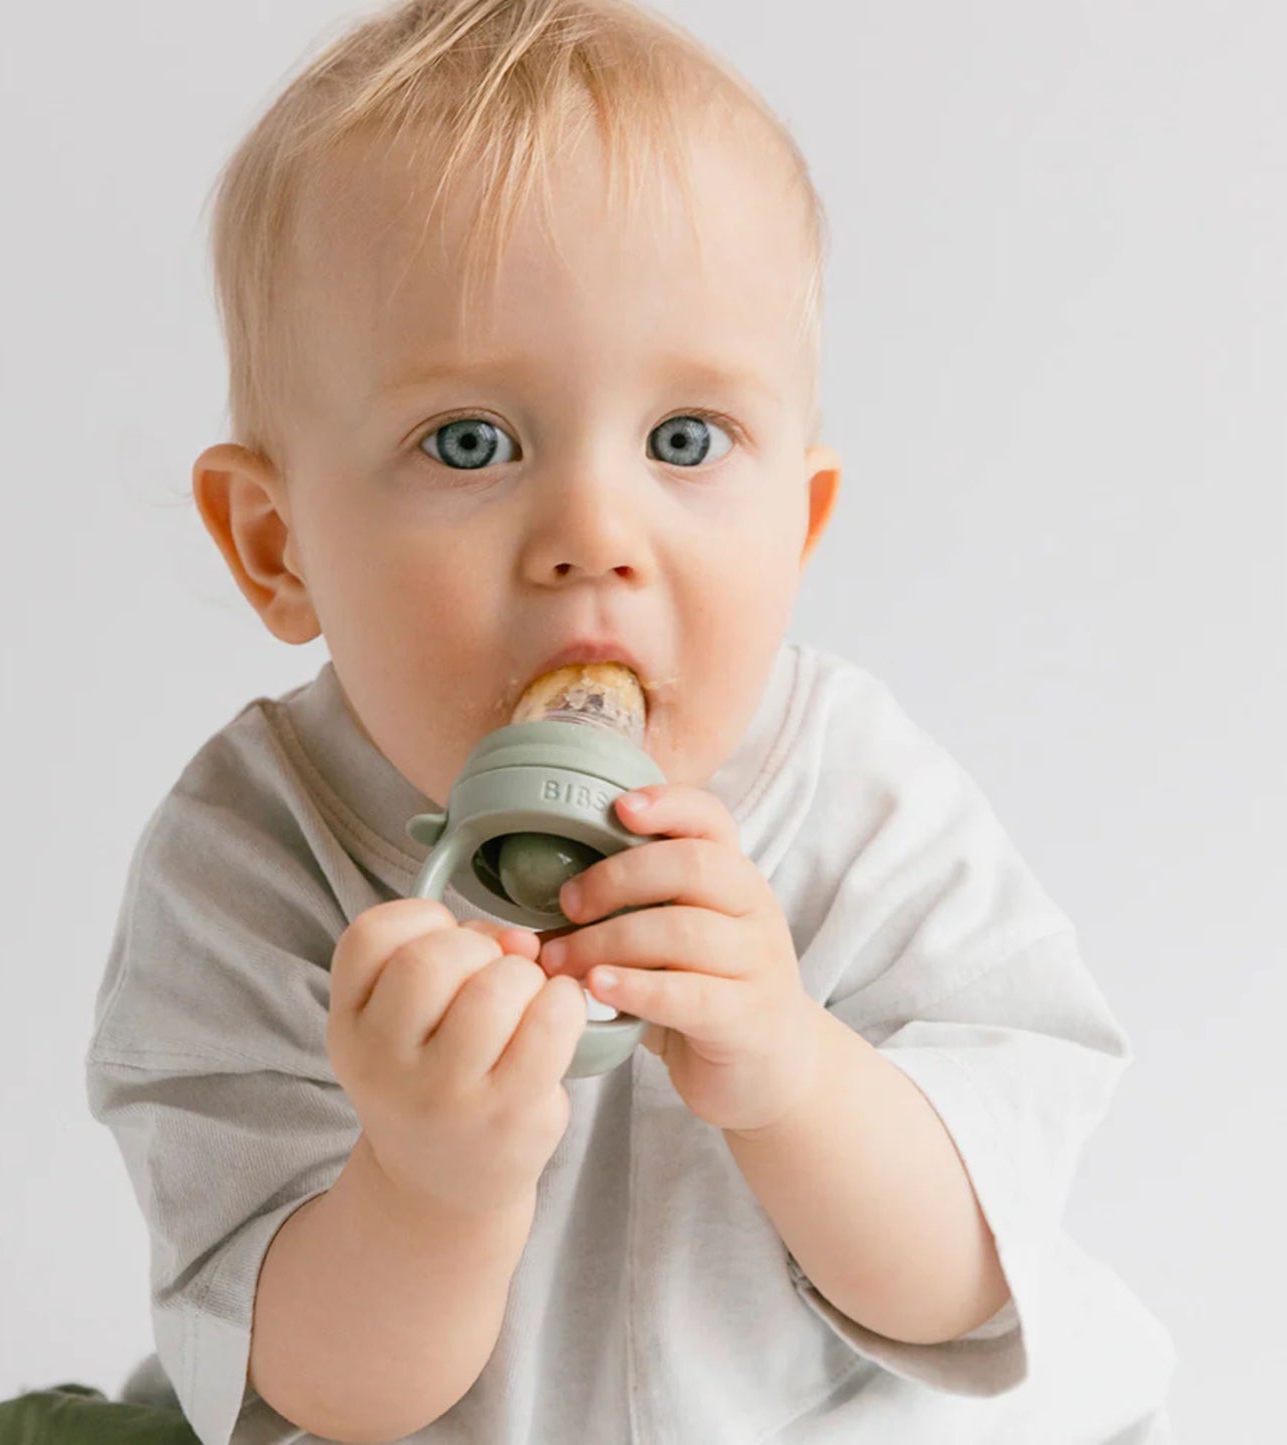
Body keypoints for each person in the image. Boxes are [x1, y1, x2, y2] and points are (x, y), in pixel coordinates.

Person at [84, 2, 1176, 1441]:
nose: (594, 534)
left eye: (683, 440)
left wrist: (789, 1066)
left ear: (797, 522)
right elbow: (309, 1391)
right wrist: (427, 1184)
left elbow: (965, 1281)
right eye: (469, 441)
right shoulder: (251, 855)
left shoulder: (856, 799)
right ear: (277, 543)